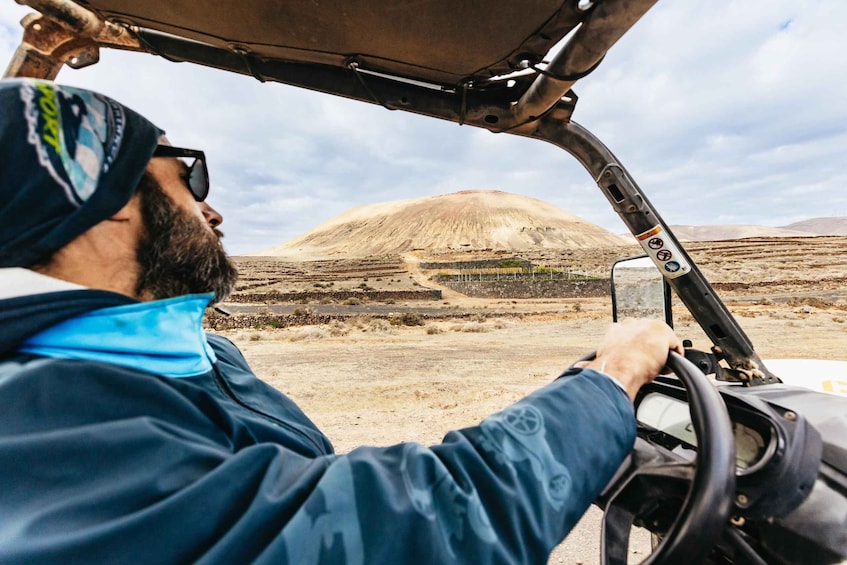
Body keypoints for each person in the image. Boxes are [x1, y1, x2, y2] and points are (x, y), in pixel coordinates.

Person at [0, 78, 683, 564]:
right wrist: (610, 377)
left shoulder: (184, 357)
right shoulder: (40, 429)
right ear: (112, 197)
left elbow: (307, 486)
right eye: (188, 178)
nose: (214, 213)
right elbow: (402, 530)